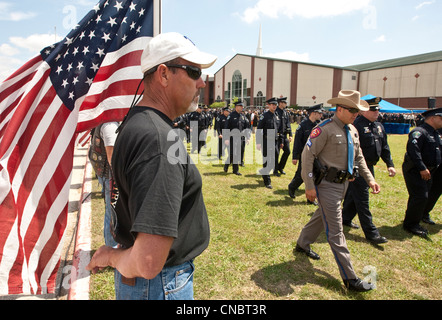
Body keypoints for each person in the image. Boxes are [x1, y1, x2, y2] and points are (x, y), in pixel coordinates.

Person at [86, 32, 217, 300]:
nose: (202, 83)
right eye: (193, 71)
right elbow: (147, 261)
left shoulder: (139, 124)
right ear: (164, 74)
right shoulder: (158, 139)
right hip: (160, 284)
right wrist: (111, 255)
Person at [295, 90, 381, 292]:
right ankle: (351, 279)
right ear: (339, 109)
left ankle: (302, 244)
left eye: (358, 111)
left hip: (344, 185)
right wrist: (308, 186)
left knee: (321, 215)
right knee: (336, 231)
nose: (355, 114)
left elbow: (359, 158)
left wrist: (370, 179)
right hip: (326, 185)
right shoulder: (323, 129)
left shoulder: (352, 130)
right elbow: (307, 156)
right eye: (352, 110)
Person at [342, 97, 395, 245]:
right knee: (363, 198)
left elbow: (384, 146)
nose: (376, 112)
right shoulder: (355, 125)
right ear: (364, 111)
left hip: (369, 167)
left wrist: (389, 164)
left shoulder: (379, 126)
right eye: (373, 109)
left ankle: (345, 218)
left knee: (354, 195)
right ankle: (371, 233)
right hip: (357, 167)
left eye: (377, 109)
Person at [402, 108, 442, 238]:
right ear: (432, 118)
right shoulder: (419, 132)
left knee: (423, 197)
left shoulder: (435, 133)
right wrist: (422, 168)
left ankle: (416, 219)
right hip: (416, 170)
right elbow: (414, 151)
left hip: (429, 170)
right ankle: (410, 224)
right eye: (441, 118)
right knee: (420, 196)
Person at [88, 122, 119, 248]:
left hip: (106, 174)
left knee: (111, 211)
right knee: (112, 213)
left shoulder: (108, 122)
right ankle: (111, 246)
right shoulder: (110, 125)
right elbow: (112, 158)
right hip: (110, 176)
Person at [288, 104, 324, 201]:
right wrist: (295, 156)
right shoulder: (303, 125)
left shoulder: (319, 125)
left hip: (316, 155)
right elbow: (297, 142)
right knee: (301, 174)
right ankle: (292, 187)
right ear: (313, 113)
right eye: (319, 113)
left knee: (315, 175)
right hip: (305, 155)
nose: (321, 115)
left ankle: (310, 199)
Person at [257, 98, 283, 189]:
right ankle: (267, 181)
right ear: (268, 105)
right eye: (272, 104)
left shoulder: (277, 115)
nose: (274, 106)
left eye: (275, 105)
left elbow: (280, 130)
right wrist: (258, 143)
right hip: (266, 141)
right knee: (267, 161)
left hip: (275, 141)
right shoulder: (264, 116)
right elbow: (259, 130)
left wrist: (281, 141)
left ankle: (264, 172)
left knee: (273, 161)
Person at [224, 100, 249, 175]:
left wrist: (248, 137)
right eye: (240, 106)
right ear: (236, 107)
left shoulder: (243, 116)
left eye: (242, 106)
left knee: (237, 154)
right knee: (232, 154)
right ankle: (226, 165)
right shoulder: (231, 116)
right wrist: (226, 138)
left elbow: (246, 128)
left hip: (240, 138)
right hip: (232, 137)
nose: (242, 107)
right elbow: (226, 127)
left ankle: (235, 170)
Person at [276, 97, 293, 175]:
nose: (286, 104)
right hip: (278, 136)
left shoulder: (285, 112)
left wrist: (290, 134)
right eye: (284, 103)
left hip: (285, 136)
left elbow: (288, 124)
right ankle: (275, 169)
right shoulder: (275, 112)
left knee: (287, 151)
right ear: (280, 103)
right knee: (277, 153)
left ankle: (280, 167)